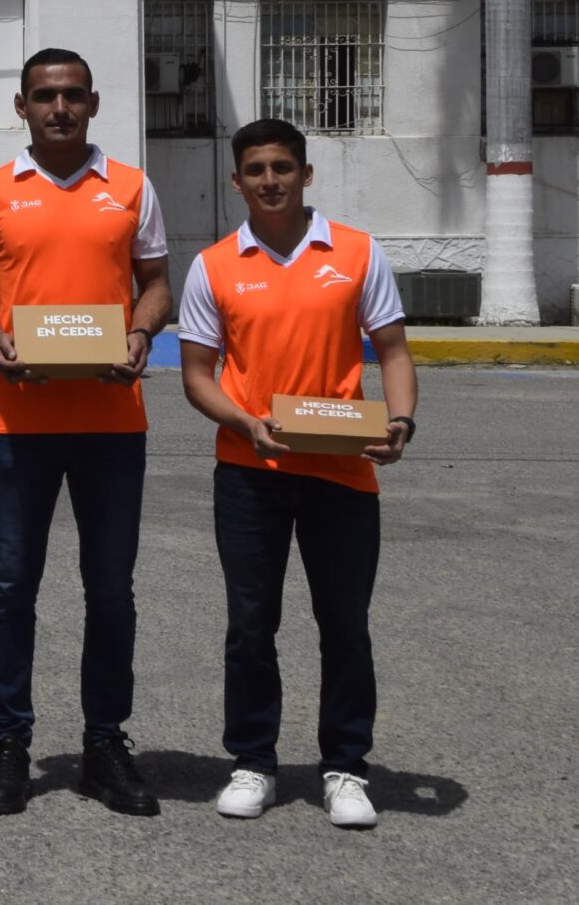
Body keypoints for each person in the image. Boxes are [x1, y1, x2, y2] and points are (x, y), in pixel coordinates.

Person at [0, 49, 173, 819]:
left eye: (73, 95)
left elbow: (156, 284)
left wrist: (140, 333)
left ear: (94, 103)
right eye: (45, 96)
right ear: (22, 106)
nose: (60, 108)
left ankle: (105, 743)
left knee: (110, 590)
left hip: (113, 423)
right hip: (20, 423)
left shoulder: (132, 187)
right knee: (12, 586)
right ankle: (9, 741)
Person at [176, 118, 417, 831]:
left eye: (283, 167)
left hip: (341, 472)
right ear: (237, 181)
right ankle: (253, 761)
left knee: (345, 626)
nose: (270, 180)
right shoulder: (214, 265)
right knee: (251, 626)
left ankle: (346, 768)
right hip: (248, 471)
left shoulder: (357, 252)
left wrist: (400, 421)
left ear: (306, 174)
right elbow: (197, 375)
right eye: (256, 170)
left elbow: (393, 350)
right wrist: (245, 422)